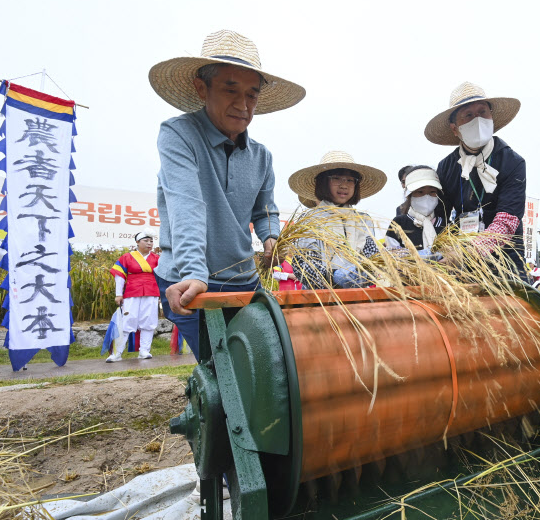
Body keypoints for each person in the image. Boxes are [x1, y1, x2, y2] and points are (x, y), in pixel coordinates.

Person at [148, 30, 305, 358]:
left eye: (251, 94)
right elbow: (187, 205)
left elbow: (265, 209)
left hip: (243, 279)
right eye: (230, 88)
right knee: (224, 370)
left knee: (265, 366)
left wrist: (271, 238)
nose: (242, 104)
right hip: (188, 280)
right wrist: (193, 272)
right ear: (201, 87)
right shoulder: (179, 135)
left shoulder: (261, 156)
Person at [425, 82, 528, 282]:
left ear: (492, 117)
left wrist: (467, 252)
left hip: (507, 264)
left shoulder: (512, 162)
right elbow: (442, 218)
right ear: (455, 129)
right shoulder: (446, 167)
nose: (478, 120)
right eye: (469, 115)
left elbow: (506, 222)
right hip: (463, 268)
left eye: (483, 112)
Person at [288, 151, 387, 290]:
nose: (344, 185)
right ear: (323, 182)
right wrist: (333, 277)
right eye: (336, 178)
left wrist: (371, 271)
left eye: (350, 180)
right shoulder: (310, 220)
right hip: (320, 298)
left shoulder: (363, 220)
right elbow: (303, 264)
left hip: (357, 296)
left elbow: (371, 257)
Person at [106, 231, 160, 361]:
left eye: (151, 241)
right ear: (137, 242)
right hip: (132, 291)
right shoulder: (127, 257)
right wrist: (119, 294)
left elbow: (163, 277)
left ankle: (144, 351)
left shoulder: (157, 258)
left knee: (149, 321)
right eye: (146, 240)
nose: (149, 243)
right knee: (127, 320)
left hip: (152, 291)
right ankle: (117, 353)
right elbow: (119, 276)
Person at [385, 166, 446, 255]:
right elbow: (392, 256)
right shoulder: (398, 224)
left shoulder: (445, 225)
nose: (427, 197)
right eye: (420, 192)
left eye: (432, 192)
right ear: (410, 195)